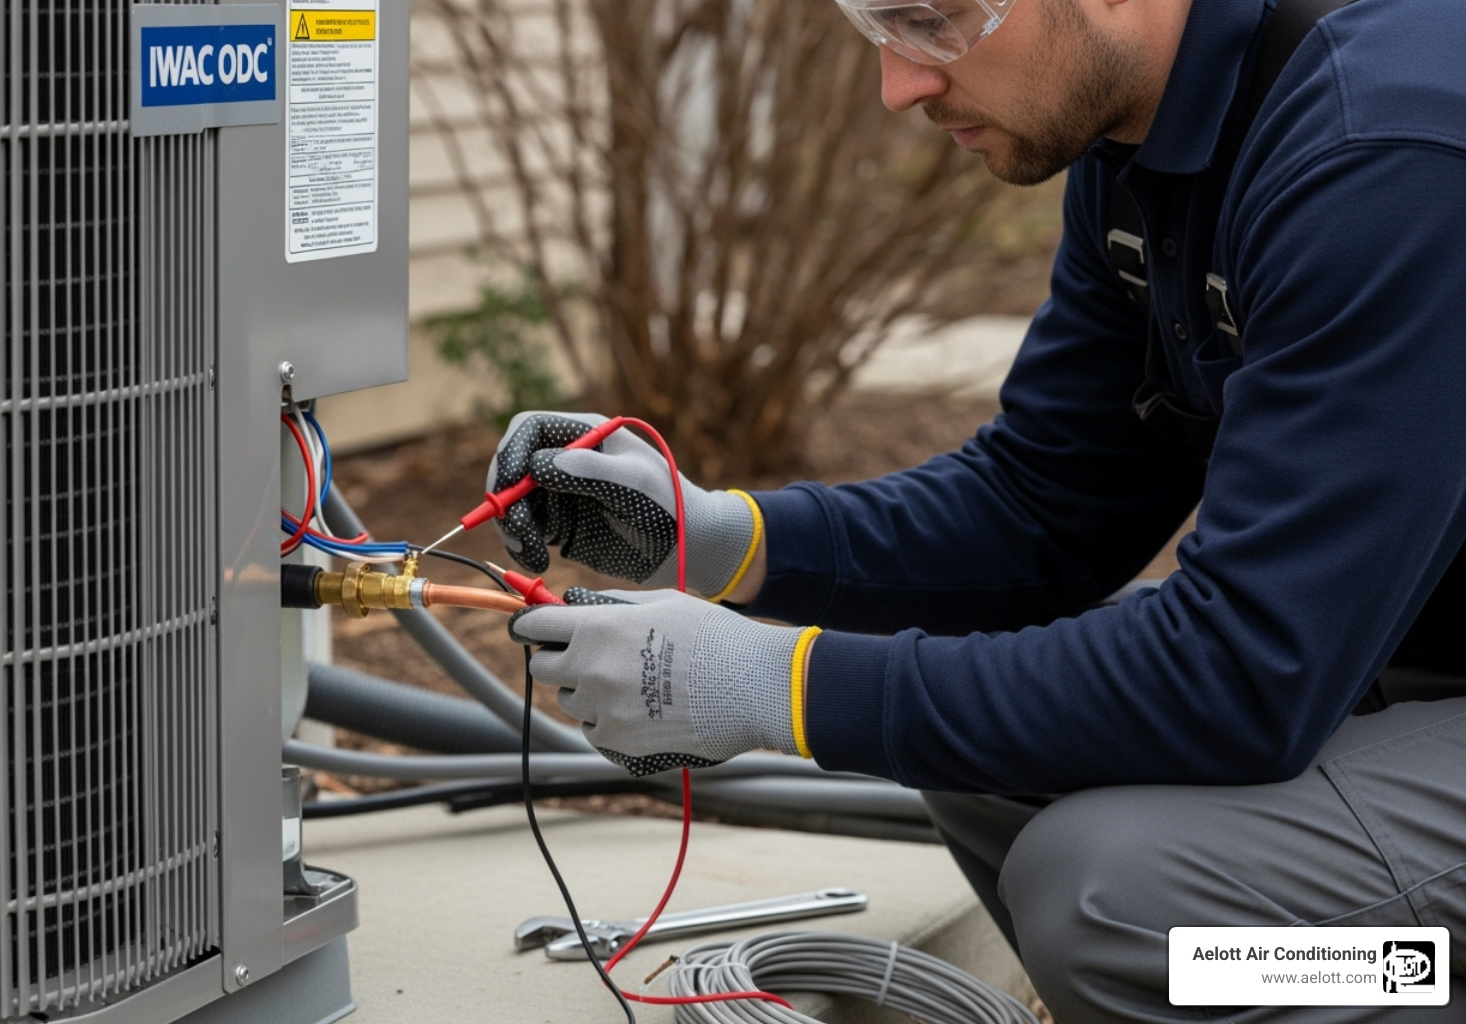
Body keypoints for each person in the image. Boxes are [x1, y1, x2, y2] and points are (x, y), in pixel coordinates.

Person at [498, 0, 1466, 1019]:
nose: (899, 84)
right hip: (1392, 662)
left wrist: (781, 687)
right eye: (879, 31)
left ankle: (1412, 981)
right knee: (993, 751)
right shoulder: (1143, 136)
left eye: (934, 20)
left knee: (1120, 906)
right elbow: (1041, 504)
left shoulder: (1387, 150)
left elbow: (1244, 673)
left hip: (1375, 678)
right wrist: (722, 541)